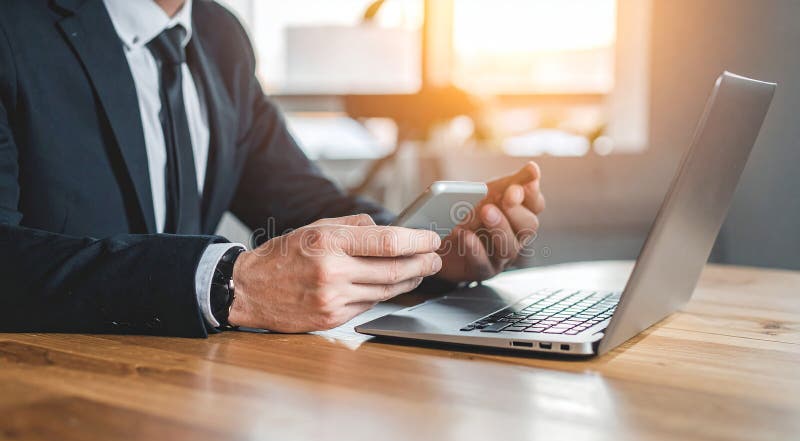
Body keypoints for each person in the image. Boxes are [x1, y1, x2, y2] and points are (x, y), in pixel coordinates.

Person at [0, 0, 545, 336]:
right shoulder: (13, 26)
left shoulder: (219, 36)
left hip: (189, 396)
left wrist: (430, 250)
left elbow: (310, 206)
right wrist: (227, 284)